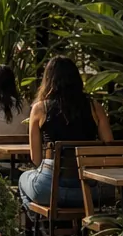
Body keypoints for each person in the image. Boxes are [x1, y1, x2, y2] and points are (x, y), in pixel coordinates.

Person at [18, 55, 114, 208]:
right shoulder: (95, 107)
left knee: (23, 178)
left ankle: (42, 228)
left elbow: (36, 159)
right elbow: (109, 147)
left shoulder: (40, 109)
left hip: (48, 190)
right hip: (90, 192)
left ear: (48, 80)